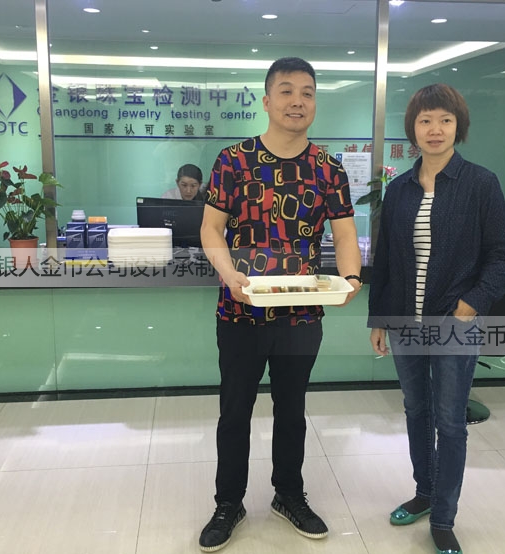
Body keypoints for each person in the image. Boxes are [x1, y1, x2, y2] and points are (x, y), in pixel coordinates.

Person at [198, 57, 362, 552]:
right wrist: (228, 273)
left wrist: (351, 278)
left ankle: (288, 494)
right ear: (267, 101)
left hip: (301, 314)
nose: (298, 101)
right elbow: (211, 228)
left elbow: (345, 233)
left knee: (292, 410)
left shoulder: (328, 168)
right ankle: (228, 503)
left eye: (307, 92)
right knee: (235, 411)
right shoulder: (233, 160)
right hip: (240, 311)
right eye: (287, 91)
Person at [368, 84, 505, 554]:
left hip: (455, 322)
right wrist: (379, 318)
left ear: (458, 126)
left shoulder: (480, 183)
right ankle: (425, 492)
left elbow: (499, 256)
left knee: (450, 422)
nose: (435, 129)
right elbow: (386, 261)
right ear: (413, 128)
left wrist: (474, 302)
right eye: (425, 120)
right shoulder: (399, 189)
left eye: (445, 120)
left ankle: (444, 517)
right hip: (405, 324)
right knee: (416, 411)